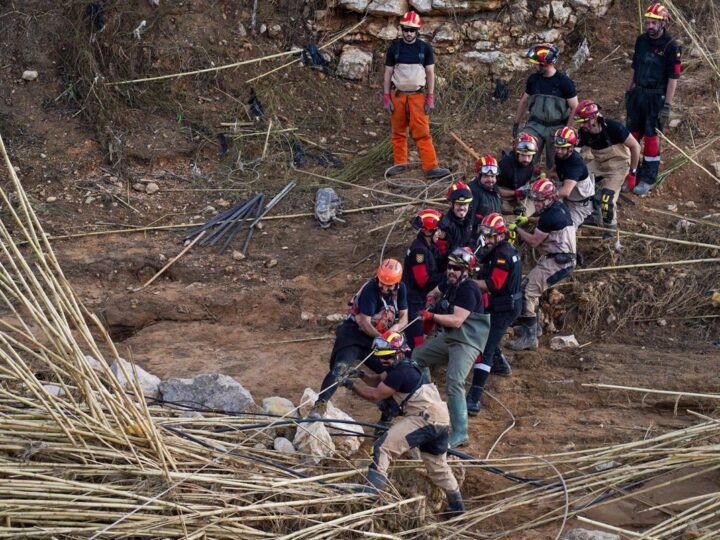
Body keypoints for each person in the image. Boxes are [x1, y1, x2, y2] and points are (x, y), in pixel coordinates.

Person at [341, 330, 464, 516]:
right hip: (440, 419)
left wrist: (350, 384)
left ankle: (373, 491)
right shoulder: (400, 366)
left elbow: (375, 395)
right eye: (381, 358)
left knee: (383, 447)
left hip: (425, 419)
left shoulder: (401, 372)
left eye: (387, 357)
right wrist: (360, 375)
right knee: (437, 464)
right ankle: (457, 506)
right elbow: (378, 381)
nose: (383, 361)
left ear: (398, 352)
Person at [413, 247, 490, 447]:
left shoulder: (469, 289)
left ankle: (460, 431)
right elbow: (434, 292)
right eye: (449, 266)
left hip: (467, 341)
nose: (451, 271)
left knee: (455, 381)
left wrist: (432, 316)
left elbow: (457, 320)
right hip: (451, 338)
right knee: (417, 357)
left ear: (467, 271)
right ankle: (431, 403)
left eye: (456, 268)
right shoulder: (450, 283)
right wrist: (431, 300)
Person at [310, 259, 409, 416]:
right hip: (355, 335)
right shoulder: (370, 289)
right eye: (382, 283)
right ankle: (320, 404)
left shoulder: (401, 289)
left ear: (396, 283)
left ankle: (387, 414)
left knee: (394, 371)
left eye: (388, 286)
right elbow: (364, 322)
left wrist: (394, 331)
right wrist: (381, 339)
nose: (384, 288)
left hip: (380, 338)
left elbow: (404, 317)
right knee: (340, 367)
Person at [508, 178, 576, 351]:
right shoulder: (557, 207)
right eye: (534, 199)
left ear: (549, 198)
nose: (536, 203)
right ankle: (534, 328)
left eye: (539, 200)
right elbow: (542, 222)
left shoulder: (550, 215)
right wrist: (528, 220)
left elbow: (533, 242)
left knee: (528, 291)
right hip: (559, 258)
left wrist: (516, 229)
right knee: (530, 288)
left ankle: (529, 337)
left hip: (559, 262)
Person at [466, 213, 522, 414]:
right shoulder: (500, 250)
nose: (486, 239)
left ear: (500, 235)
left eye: (490, 236)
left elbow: (493, 284)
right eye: (485, 235)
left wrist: (468, 282)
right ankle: (500, 365)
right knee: (488, 335)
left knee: (485, 348)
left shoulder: (502, 255)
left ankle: (474, 398)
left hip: (505, 307)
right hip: (502, 304)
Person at [383, 11, 449, 179]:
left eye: (412, 30)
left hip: (418, 96)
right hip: (397, 95)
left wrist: (430, 97)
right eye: (406, 29)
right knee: (398, 132)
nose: (409, 33)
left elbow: (430, 73)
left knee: (422, 132)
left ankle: (431, 167)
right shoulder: (394, 49)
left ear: (417, 31)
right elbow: (388, 73)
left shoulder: (424, 49)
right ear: (402, 29)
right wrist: (386, 96)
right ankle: (399, 164)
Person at [625, 3, 682, 195]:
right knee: (631, 136)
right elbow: (634, 66)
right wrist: (629, 90)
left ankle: (648, 178)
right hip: (637, 94)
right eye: (647, 22)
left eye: (653, 22)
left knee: (650, 139)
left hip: (655, 97)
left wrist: (667, 105)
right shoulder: (641, 40)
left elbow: (673, 79)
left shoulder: (671, 46)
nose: (649, 26)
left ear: (663, 22)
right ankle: (632, 172)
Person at [575, 99, 641, 236]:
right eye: (581, 122)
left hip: (619, 166)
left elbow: (636, 146)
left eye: (584, 121)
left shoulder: (613, 127)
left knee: (607, 199)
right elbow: (575, 150)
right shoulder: (584, 132)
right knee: (577, 180)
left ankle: (610, 233)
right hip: (599, 162)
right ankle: (592, 214)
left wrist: (632, 173)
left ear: (594, 118)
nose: (582, 125)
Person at [514, 44, 579, 166]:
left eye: (536, 63)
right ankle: (524, 181)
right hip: (535, 126)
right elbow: (524, 101)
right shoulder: (533, 80)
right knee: (524, 154)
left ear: (545, 63)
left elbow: (575, 107)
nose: (534, 66)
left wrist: (567, 130)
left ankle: (551, 183)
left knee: (557, 163)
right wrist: (516, 123)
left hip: (557, 128)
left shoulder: (564, 82)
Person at [403, 208, 444, 352]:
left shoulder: (429, 246)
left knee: (428, 324)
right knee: (416, 339)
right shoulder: (419, 251)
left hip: (420, 299)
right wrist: (445, 278)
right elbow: (423, 281)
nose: (439, 233)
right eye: (437, 230)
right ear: (427, 231)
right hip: (413, 300)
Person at [552, 126, 595, 228]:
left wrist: (545, 196)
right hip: (566, 197)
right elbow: (555, 168)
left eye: (562, 148)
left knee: (565, 229)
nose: (558, 151)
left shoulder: (575, 163)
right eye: (557, 147)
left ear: (571, 147)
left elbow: (566, 191)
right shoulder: (560, 155)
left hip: (579, 206)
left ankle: (589, 216)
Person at [497, 133, 542, 216]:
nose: (526, 159)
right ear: (516, 153)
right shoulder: (505, 165)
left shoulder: (533, 166)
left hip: (522, 195)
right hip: (503, 197)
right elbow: (495, 190)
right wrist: (516, 193)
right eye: (523, 155)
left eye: (529, 156)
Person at [437, 181, 474, 265]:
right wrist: (463, 255)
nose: (462, 208)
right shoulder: (445, 226)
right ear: (451, 204)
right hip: (450, 268)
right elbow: (442, 254)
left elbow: (467, 241)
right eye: (458, 204)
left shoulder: (467, 220)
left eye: (465, 204)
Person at [469, 154, 502, 242]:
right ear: (479, 176)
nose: (490, 180)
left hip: (493, 235)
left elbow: (499, 207)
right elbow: (468, 222)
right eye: (486, 176)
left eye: (492, 176)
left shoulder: (494, 189)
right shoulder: (473, 192)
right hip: (478, 238)